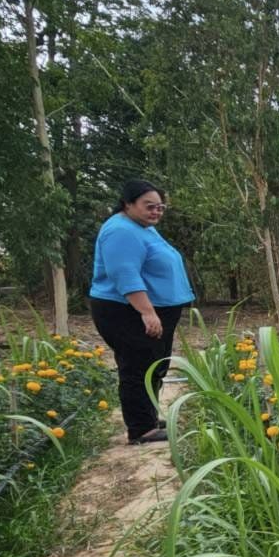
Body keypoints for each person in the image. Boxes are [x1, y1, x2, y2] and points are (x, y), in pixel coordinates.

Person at [89, 179, 194, 445]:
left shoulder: (140, 227)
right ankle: (140, 429)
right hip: (127, 312)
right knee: (137, 366)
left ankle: (147, 417)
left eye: (160, 207)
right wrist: (147, 312)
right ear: (128, 203)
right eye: (149, 206)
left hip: (149, 309)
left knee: (154, 365)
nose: (156, 212)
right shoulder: (120, 230)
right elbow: (124, 274)